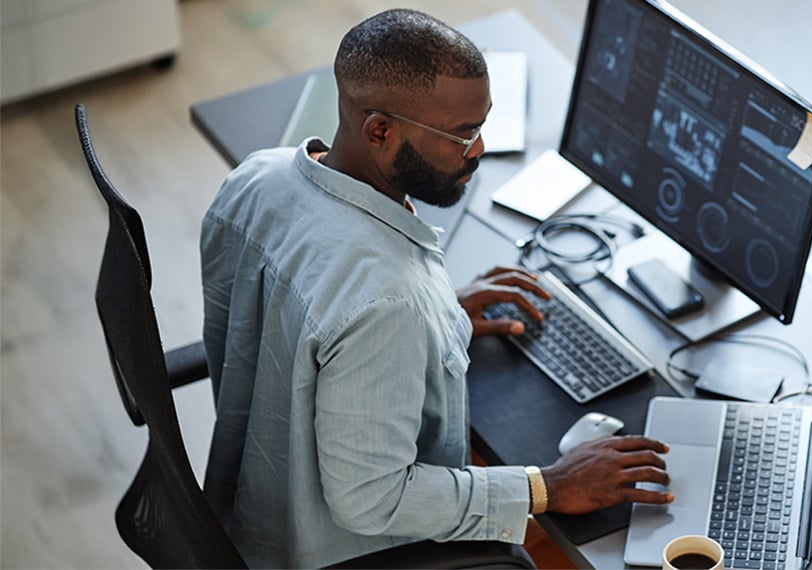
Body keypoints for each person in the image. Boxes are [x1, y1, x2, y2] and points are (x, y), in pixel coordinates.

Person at [199, 8, 673, 569]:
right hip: (333, 550)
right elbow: (372, 499)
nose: (478, 150)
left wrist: (441, 320)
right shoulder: (388, 302)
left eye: (482, 124)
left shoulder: (257, 177)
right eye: (461, 135)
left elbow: (303, 324)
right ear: (380, 130)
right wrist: (546, 486)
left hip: (249, 506)